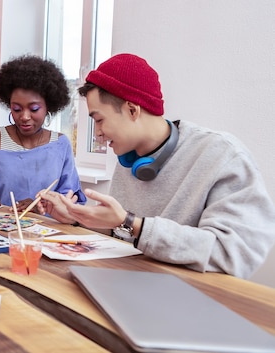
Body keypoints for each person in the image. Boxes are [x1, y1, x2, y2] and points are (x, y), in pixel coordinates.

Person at [39, 53, 275, 278]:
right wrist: (76, 218)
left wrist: (131, 223)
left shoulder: (223, 155)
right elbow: (125, 233)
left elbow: (233, 255)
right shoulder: (129, 159)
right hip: (132, 285)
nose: (97, 133)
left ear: (132, 110)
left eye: (99, 120)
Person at [0, 55, 85, 210]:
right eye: (17, 109)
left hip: (44, 231)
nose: (24, 117)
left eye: (34, 109)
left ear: (49, 106)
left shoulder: (60, 145)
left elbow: (72, 200)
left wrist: (41, 207)